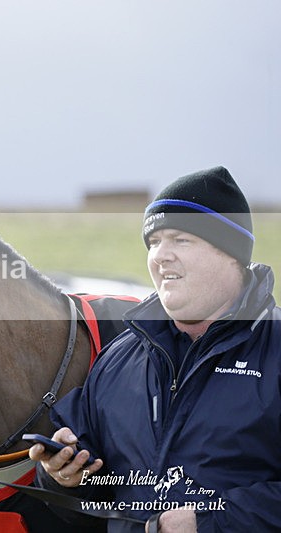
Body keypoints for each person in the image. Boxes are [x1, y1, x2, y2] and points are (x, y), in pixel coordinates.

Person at [29, 166, 280, 532]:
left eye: (180, 240)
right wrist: (62, 478)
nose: (160, 255)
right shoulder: (119, 358)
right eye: (154, 242)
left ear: (231, 253)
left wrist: (209, 523)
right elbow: (85, 509)